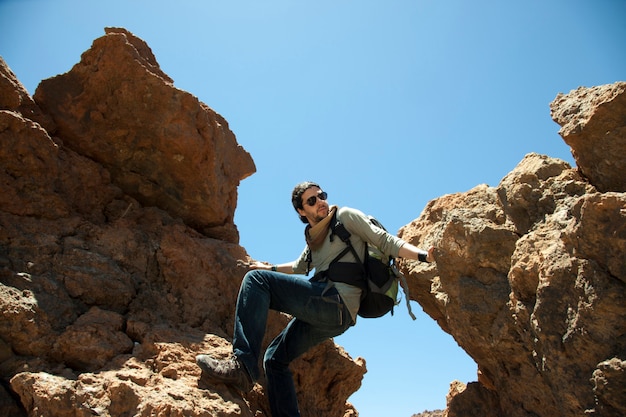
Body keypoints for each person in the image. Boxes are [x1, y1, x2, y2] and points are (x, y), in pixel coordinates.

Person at [196, 181, 435, 417]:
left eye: (322, 195)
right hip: (331, 314)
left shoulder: (345, 216)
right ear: (302, 211)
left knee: (256, 281)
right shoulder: (314, 237)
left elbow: (384, 240)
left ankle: (243, 366)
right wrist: (269, 267)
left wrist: (424, 256)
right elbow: (300, 267)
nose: (321, 201)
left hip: (337, 302)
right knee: (274, 359)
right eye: (312, 200)